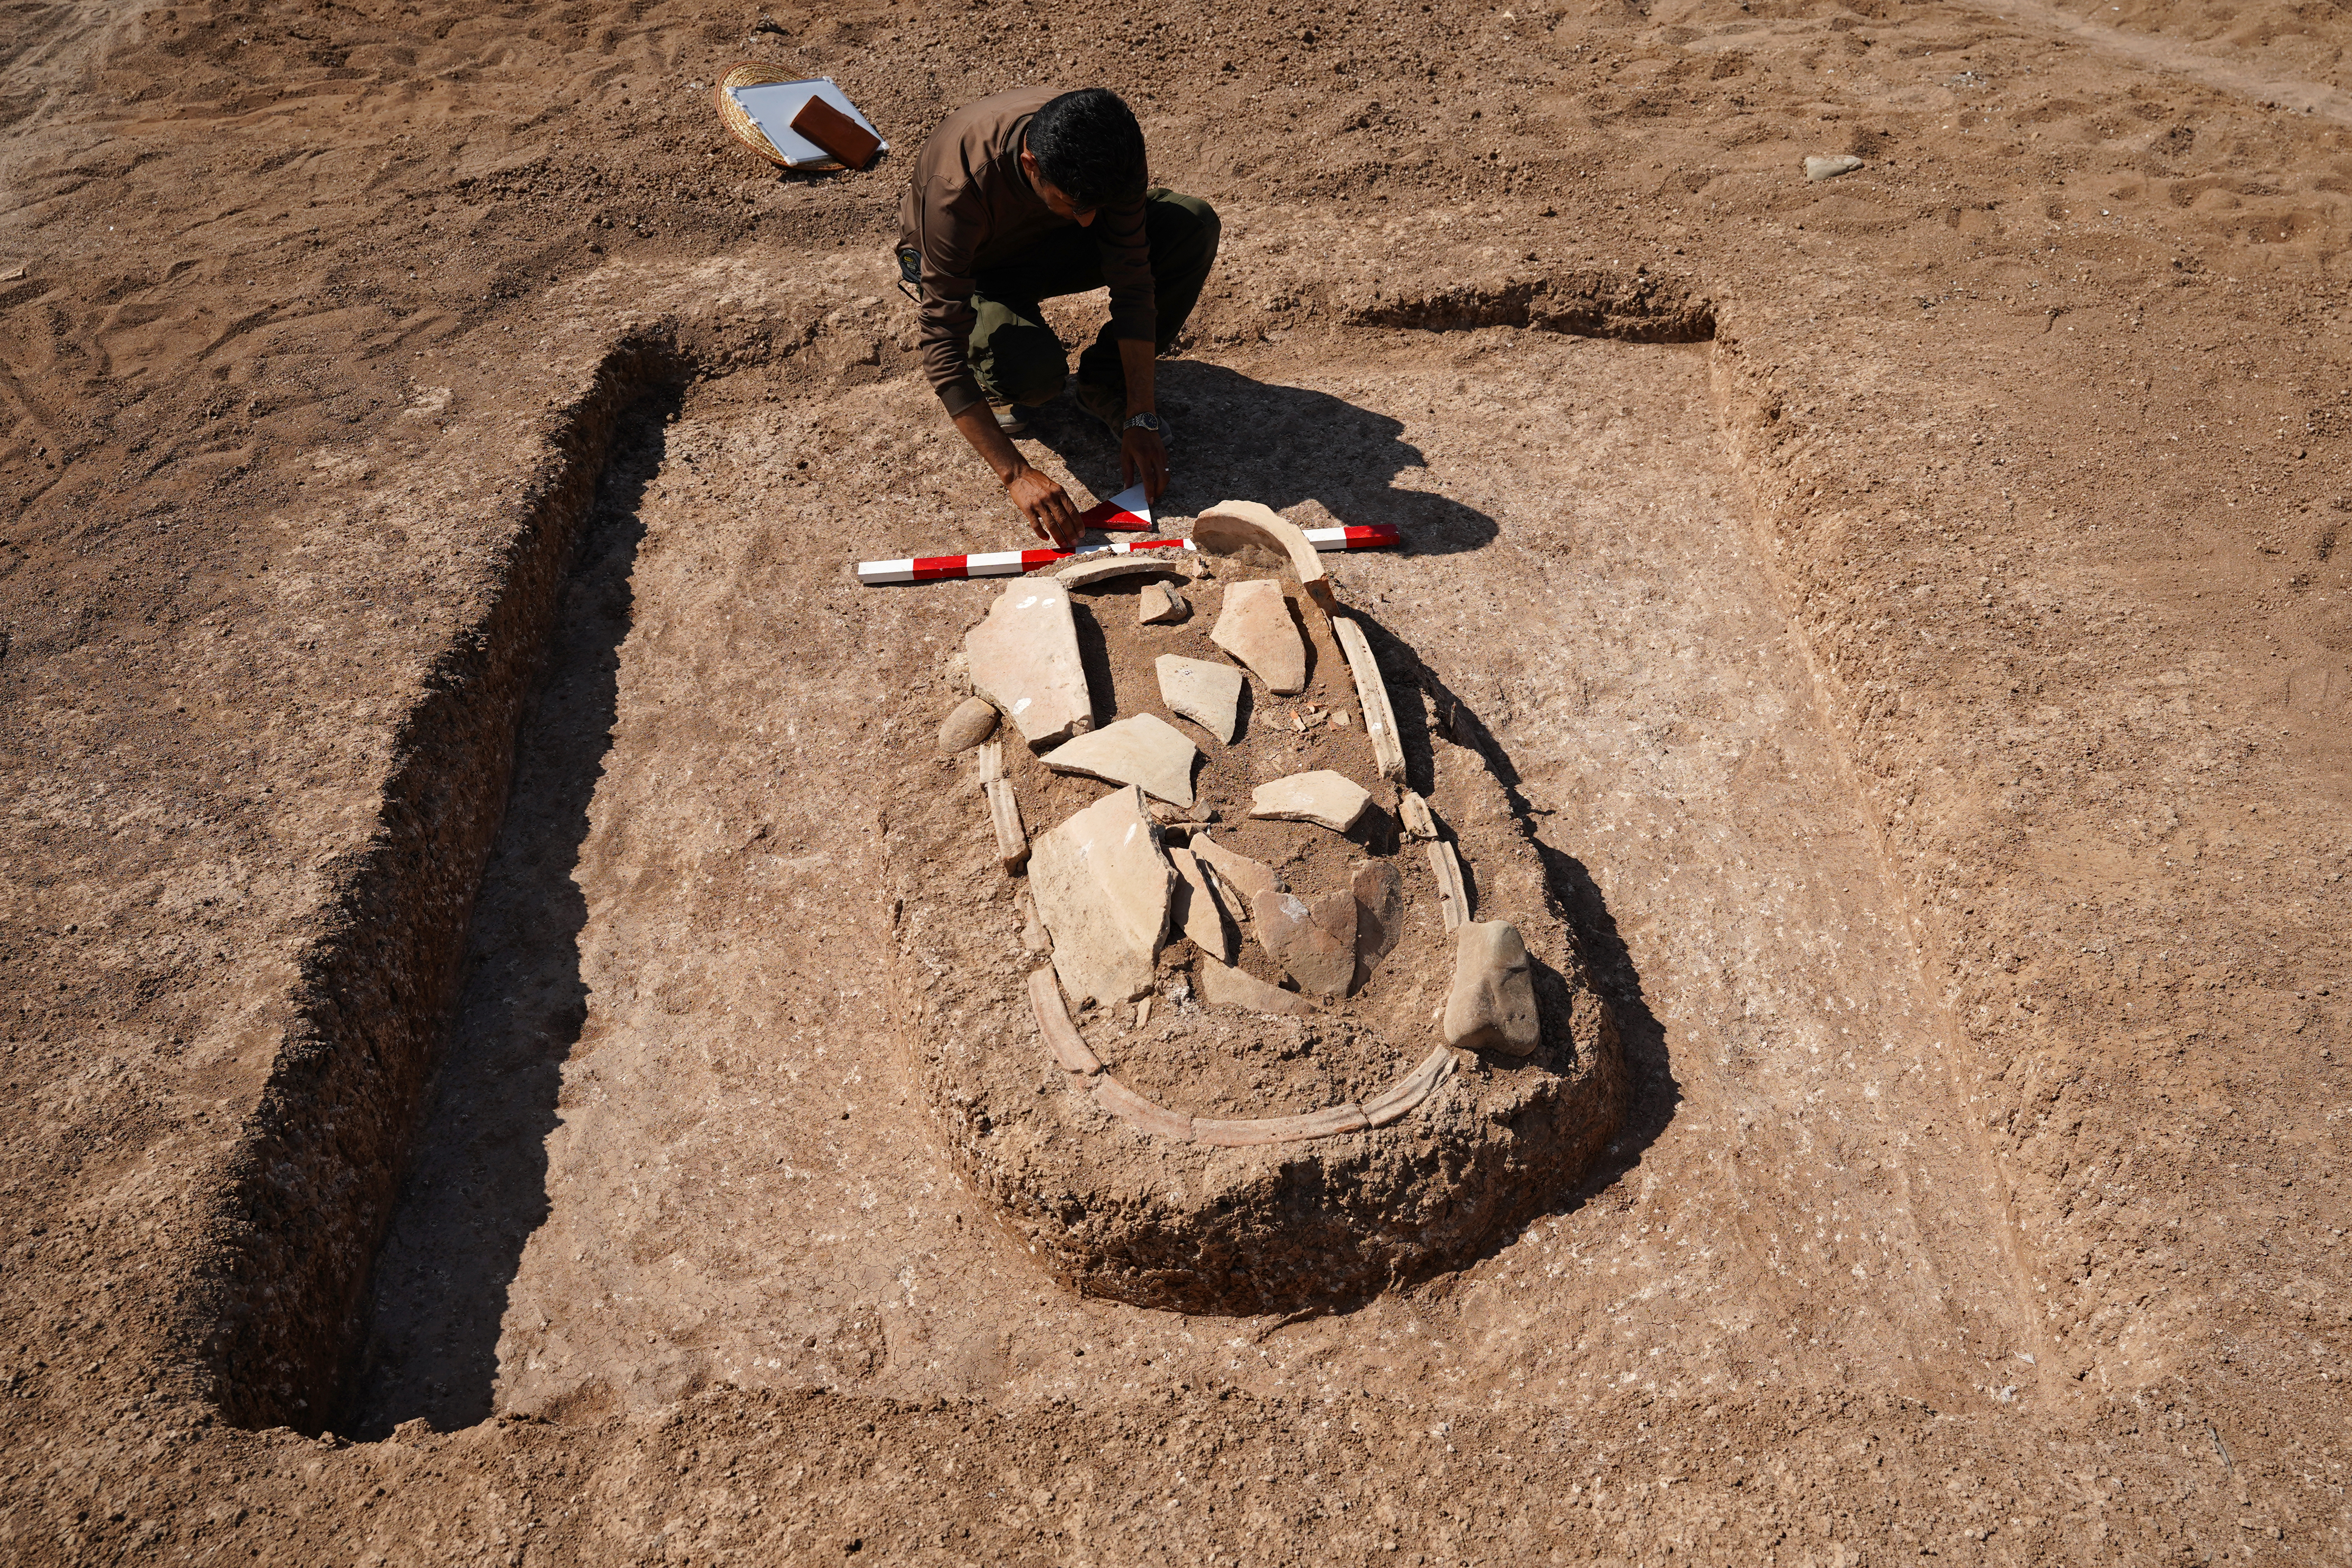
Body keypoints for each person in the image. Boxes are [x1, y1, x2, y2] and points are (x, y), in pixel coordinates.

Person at [897, 87, 1220, 547]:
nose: (1090, 221)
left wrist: (1141, 412)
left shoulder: (1111, 148)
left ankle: (1104, 385)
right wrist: (1016, 473)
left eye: (1097, 207)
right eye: (1078, 204)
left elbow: (1133, 279)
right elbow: (940, 346)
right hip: (983, 268)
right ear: (1031, 164)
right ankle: (997, 379)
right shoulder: (957, 190)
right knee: (1033, 377)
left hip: (1050, 240)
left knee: (1191, 224)